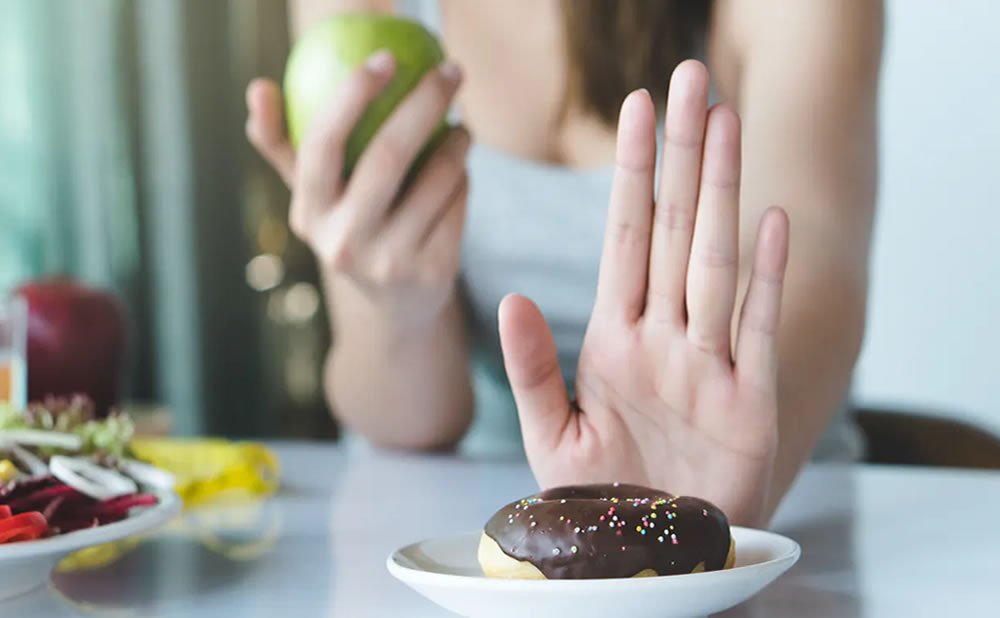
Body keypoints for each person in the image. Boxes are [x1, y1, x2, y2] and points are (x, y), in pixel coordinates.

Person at [245, 0, 882, 527]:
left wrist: (707, 491)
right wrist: (397, 308)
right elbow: (414, 426)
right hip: (468, 536)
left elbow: (815, 258)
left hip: (771, 517)